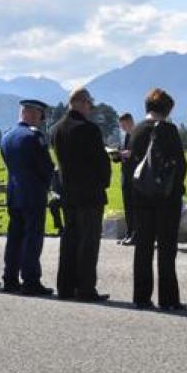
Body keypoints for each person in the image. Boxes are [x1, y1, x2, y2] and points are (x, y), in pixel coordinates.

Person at [50, 87, 112, 302]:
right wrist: (104, 181)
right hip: (89, 193)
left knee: (69, 239)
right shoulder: (89, 129)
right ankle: (85, 288)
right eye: (88, 104)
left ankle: (65, 286)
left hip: (67, 192)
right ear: (79, 102)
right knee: (88, 242)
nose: (90, 108)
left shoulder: (56, 129)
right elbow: (100, 162)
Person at [128, 89, 187, 311]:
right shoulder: (169, 130)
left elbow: (131, 166)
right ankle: (168, 298)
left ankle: (141, 296)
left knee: (143, 247)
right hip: (166, 198)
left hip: (141, 196)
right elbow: (180, 165)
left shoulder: (137, 131)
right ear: (167, 109)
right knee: (166, 248)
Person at [0, 99, 56, 296]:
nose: (40, 121)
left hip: (14, 193)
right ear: (32, 114)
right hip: (33, 193)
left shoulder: (7, 136)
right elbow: (46, 167)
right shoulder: (34, 137)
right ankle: (31, 280)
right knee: (32, 237)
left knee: (14, 237)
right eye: (40, 116)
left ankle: (10, 278)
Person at [117, 112, 136, 246]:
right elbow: (122, 153)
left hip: (135, 177)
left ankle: (135, 235)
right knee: (128, 207)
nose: (122, 128)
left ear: (130, 122)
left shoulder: (137, 136)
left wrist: (130, 154)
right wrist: (117, 155)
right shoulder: (125, 137)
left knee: (135, 208)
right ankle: (129, 233)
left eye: (123, 125)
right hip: (125, 176)